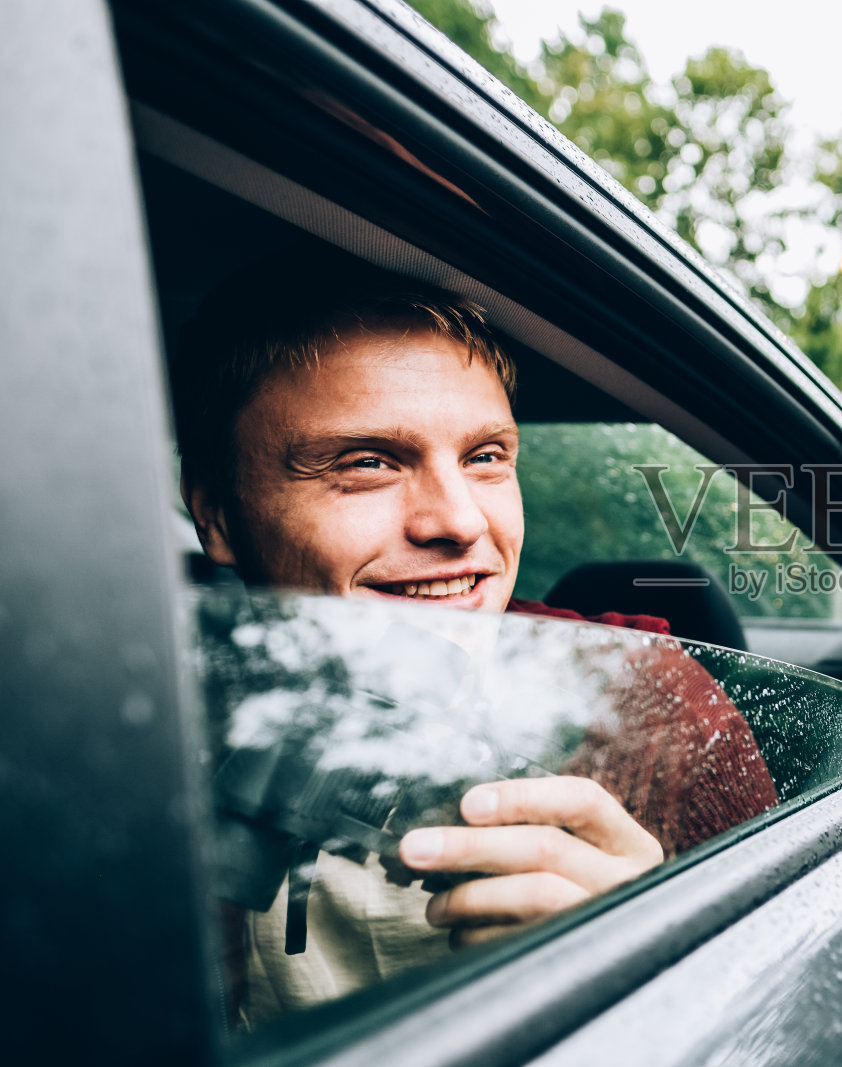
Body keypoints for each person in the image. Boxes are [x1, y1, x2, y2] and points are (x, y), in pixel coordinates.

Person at [170, 246, 778, 1023]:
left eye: (486, 456)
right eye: (366, 463)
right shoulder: (140, 723)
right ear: (217, 516)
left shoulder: (650, 710)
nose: (461, 521)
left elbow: (780, 1004)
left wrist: (652, 961)